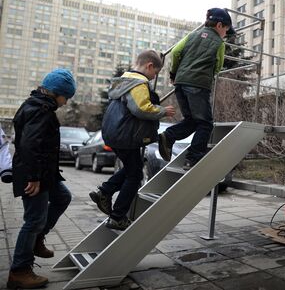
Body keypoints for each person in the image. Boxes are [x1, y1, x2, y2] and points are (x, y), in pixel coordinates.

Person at [89, 50, 175, 231]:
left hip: (115, 134)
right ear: (149, 66)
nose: (153, 78)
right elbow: (141, 108)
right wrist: (162, 111)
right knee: (135, 175)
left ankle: (104, 191)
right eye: (155, 74)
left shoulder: (123, 82)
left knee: (132, 169)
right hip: (125, 136)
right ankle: (117, 216)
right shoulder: (138, 83)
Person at [7, 69, 76, 289]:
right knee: (34, 219)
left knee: (62, 197)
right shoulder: (41, 110)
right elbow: (29, 145)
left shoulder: (37, 105)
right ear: (57, 93)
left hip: (43, 173)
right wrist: (34, 178)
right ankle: (20, 271)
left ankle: (38, 239)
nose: (66, 102)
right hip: (33, 174)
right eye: (66, 97)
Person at [158, 8, 232, 168]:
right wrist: (210, 72)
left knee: (192, 120)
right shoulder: (219, 43)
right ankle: (193, 158)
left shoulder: (191, 36)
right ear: (219, 25)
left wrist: (174, 73)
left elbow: (176, 52)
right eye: (226, 30)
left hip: (180, 83)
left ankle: (169, 136)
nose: (225, 34)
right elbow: (218, 66)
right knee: (205, 124)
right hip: (198, 85)